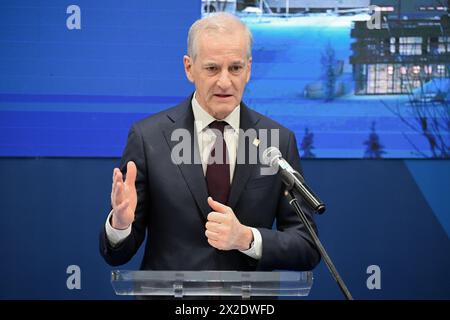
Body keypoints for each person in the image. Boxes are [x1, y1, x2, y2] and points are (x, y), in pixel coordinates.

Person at [100, 13, 320, 272]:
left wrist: (247, 239)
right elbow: (117, 255)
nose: (225, 82)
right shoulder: (149, 137)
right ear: (189, 68)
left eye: (235, 68)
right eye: (212, 68)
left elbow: (307, 246)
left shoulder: (277, 141)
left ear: (248, 69)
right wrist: (121, 225)